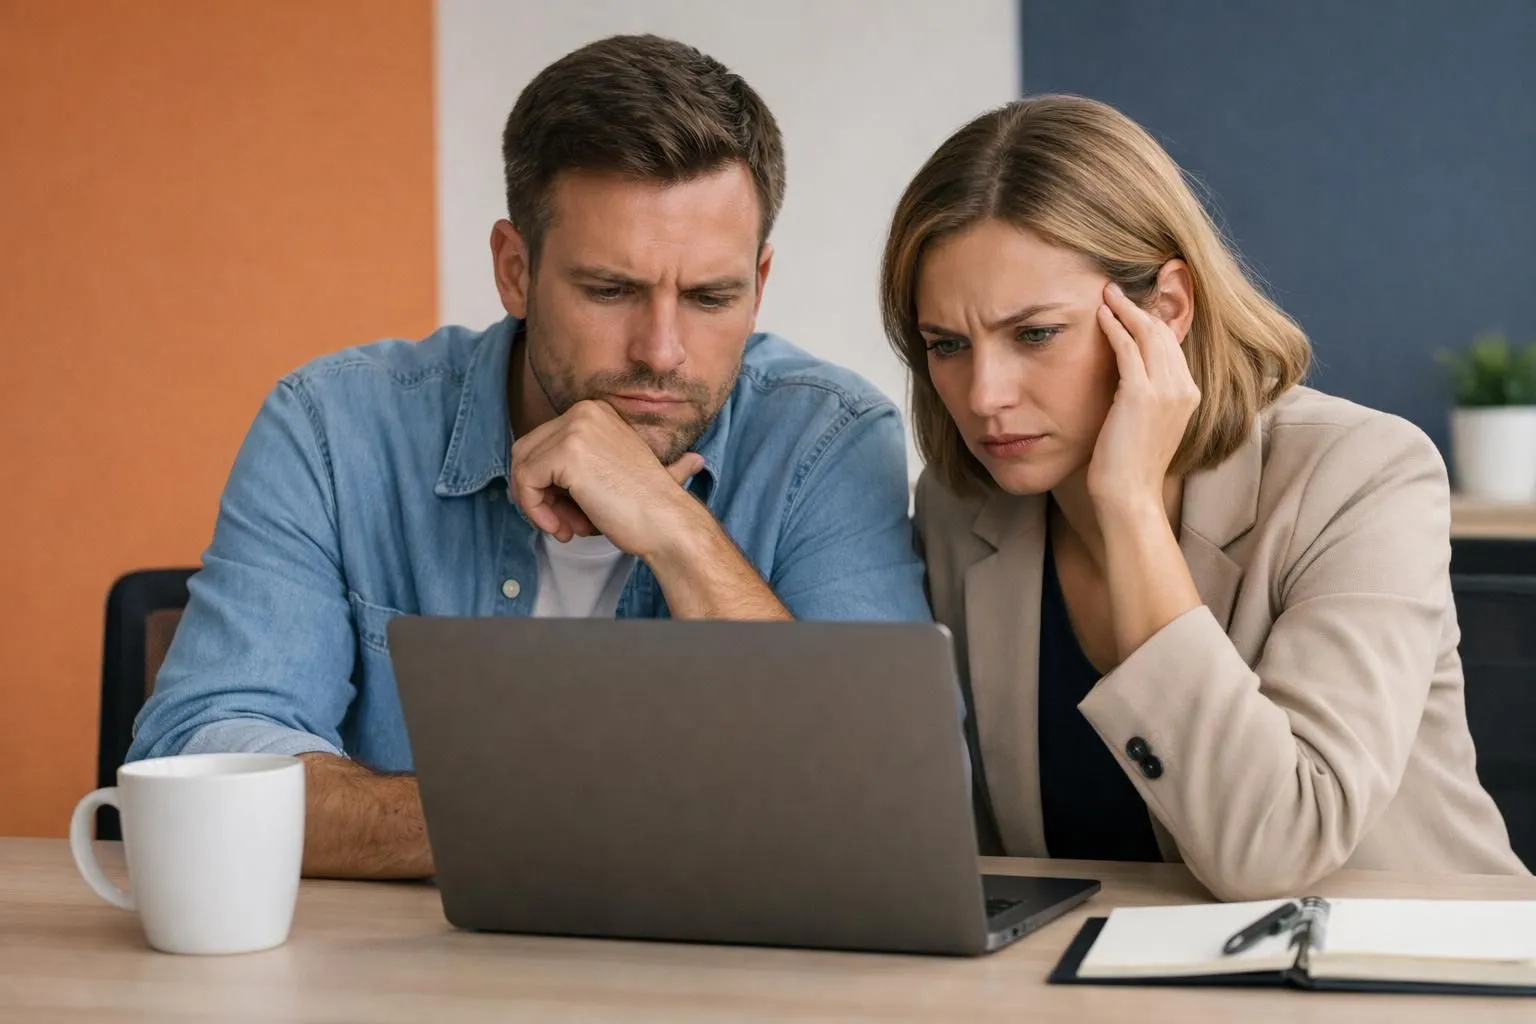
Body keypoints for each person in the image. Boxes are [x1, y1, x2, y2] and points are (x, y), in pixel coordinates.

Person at [129, 34, 928, 879]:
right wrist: (560, 819)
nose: (662, 351)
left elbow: (893, 803)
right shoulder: (333, 428)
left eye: (710, 297)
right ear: (515, 270)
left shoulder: (826, 441)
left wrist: (674, 530)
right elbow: (206, 759)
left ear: (759, 284)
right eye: (611, 290)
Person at [883, 94, 1527, 901]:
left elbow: (1274, 848)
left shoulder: (1364, 476)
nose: (983, 395)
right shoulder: (960, 510)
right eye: (947, 345)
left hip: (1409, 981)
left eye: (1035, 334)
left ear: (1165, 309)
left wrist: (1128, 508)